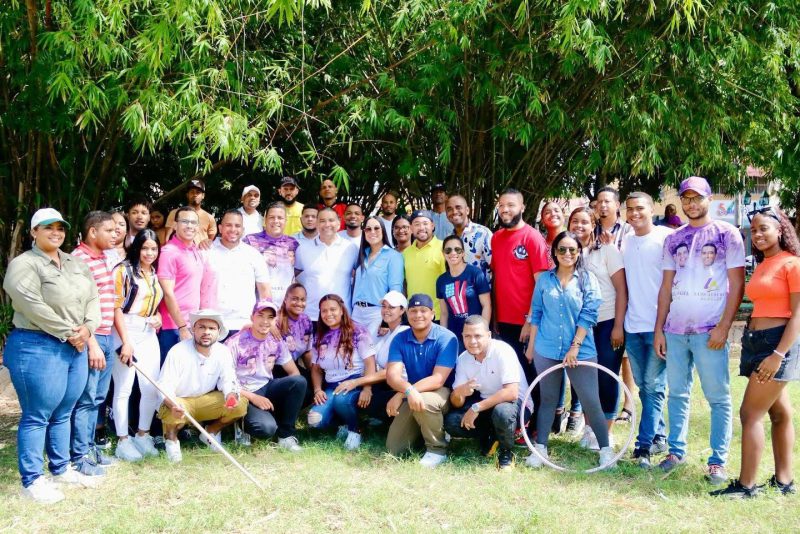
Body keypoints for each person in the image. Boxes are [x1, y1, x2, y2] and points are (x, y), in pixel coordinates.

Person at [4, 208, 101, 503]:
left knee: (64, 411)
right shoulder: (25, 264)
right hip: (37, 344)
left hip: (76, 345)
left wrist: (87, 328)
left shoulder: (75, 263)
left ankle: (61, 469)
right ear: (34, 232)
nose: (55, 232)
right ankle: (32, 480)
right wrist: (69, 331)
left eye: (60, 227)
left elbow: (93, 297)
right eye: (48, 227)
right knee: (37, 414)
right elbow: (30, 303)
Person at [654, 176, 745, 484]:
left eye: (697, 198)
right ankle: (675, 452)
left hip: (710, 331)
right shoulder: (673, 238)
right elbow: (666, 287)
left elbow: (737, 284)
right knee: (677, 394)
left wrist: (724, 327)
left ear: (709, 199)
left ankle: (717, 461)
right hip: (676, 330)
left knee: (718, 397)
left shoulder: (727, 234)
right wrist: (659, 329)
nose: (691, 204)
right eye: (686, 198)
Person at [711, 206, 800, 498]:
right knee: (779, 413)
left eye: (764, 229)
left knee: (749, 414)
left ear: (780, 230)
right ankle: (784, 481)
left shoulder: (792, 264)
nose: (758, 235)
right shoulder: (764, 263)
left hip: (776, 344)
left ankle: (746, 486)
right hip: (756, 340)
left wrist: (778, 354)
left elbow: (798, 315)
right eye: (755, 230)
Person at [524, 231, 614, 469]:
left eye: (572, 249)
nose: (567, 253)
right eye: (562, 249)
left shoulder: (587, 279)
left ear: (579, 252)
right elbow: (537, 313)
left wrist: (575, 347)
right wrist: (532, 347)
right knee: (548, 399)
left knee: (591, 400)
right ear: (554, 252)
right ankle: (540, 449)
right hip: (546, 348)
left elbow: (589, 314)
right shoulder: (545, 280)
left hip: (581, 350)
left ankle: (606, 450)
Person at [567, 207, 628, 449]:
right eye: (574, 221)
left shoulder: (607, 251)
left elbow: (622, 289)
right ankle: (589, 428)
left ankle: (607, 431)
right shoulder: (569, 253)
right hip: (581, 324)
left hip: (607, 321)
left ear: (594, 225)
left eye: (584, 222)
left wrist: (618, 326)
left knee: (606, 376)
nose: (579, 226)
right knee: (584, 378)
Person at [622, 192, 672, 467]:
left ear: (652, 209)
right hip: (633, 325)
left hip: (658, 327)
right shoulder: (626, 241)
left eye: (640, 208)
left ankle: (643, 446)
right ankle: (659, 436)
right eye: (630, 209)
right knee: (644, 386)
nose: (634, 213)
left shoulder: (666, 238)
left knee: (653, 386)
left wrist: (664, 326)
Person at [157, 310, 247, 462]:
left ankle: (211, 432)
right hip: (180, 401)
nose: (206, 332)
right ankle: (171, 441)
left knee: (241, 403)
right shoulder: (178, 351)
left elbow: (228, 379)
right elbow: (165, 384)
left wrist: (231, 395)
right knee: (170, 408)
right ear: (194, 329)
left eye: (212, 328)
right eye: (202, 327)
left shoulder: (223, 352)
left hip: (206, 401)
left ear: (218, 332)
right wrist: (173, 404)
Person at [70, 211, 119, 476]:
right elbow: (75, 307)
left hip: (106, 335)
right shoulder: (79, 260)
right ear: (92, 232)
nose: (115, 234)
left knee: (98, 398)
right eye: (109, 230)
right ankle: (79, 456)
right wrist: (92, 344)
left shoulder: (103, 258)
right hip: (93, 338)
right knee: (86, 398)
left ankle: (89, 447)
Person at [445, 316, 528, 470]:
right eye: (467, 336)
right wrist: (459, 392)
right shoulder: (463, 358)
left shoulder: (502, 350)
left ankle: (506, 452)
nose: (472, 341)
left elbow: (511, 392)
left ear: (488, 335)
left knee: (502, 413)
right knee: (452, 422)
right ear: (462, 336)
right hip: (487, 404)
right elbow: (456, 402)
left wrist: (476, 407)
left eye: (478, 336)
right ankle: (492, 435)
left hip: (516, 405)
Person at [385, 294, 458, 468]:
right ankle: (426, 432)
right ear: (407, 314)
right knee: (394, 449)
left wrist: (404, 392)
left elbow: (438, 379)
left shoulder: (447, 337)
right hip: (413, 392)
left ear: (432, 314)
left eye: (423, 310)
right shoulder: (400, 338)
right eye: (413, 311)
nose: (418, 315)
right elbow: (392, 376)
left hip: (443, 391)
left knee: (425, 400)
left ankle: (436, 450)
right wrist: (408, 391)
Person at [110, 229, 164, 462]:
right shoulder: (123, 270)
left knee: (150, 386)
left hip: (148, 332)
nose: (149, 253)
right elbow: (116, 308)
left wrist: (158, 318)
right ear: (136, 248)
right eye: (145, 248)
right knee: (124, 387)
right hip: (125, 331)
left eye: (154, 248)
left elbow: (154, 305)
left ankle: (143, 434)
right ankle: (123, 440)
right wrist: (125, 342)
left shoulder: (154, 273)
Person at [226, 300, 307, 451]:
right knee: (266, 429)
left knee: (300, 382)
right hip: (243, 392)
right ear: (252, 317)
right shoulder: (235, 342)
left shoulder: (275, 341)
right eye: (260, 315)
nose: (265, 321)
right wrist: (253, 398)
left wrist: (289, 401)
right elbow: (225, 381)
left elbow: (294, 372)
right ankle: (239, 424)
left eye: (270, 317)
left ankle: (286, 436)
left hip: (266, 386)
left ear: (275, 320)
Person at [490, 189, 549, 389]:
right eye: (501, 205)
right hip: (503, 320)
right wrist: (495, 316)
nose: (505, 209)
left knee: (531, 373)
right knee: (511, 374)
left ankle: (541, 410)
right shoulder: (496, 238)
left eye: (511, 205)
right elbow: (498, 278)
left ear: (522, 207)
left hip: (526, 320)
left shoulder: (532, 237)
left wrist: (530, 320)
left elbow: (542, 284)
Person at [307, 295, 376, 450]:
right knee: (315, 420)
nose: (328, 314)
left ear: (342, 310)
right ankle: (343, 424)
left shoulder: (358, 330)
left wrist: (367, 388)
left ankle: (355, 430)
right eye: (324, 311)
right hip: (332, 385)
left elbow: (370, 362)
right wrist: (317, 390)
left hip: (355, 381)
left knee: (341, 400)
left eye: (333, 309)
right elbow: (316, 368)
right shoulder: (319, 335)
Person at [593, 186, 636, 422]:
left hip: (628, 300)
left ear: (617, 205)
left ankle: (629, 404)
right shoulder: (592, 231)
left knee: (624, 357)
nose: (603, 205)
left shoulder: (629, 231)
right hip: (601, 305)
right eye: (599, 201)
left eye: (607, 201)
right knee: (605, 360)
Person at [157, 205, 216, 373]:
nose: (189, 226)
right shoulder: (169, 251)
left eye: (193, 222)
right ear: (175, 225)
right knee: (170, 377)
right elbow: (167, 293)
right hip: (173, 327)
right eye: (184, 221)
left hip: (192, 324)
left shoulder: (195, 249)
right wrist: (182, 327)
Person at [207, 210, 271, 337]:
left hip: (245, 325)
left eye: (237, 226)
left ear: (243, 230)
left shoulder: (253, 255)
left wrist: (266, 321)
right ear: (220, 228)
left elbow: (265, 292)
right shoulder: (206, 252)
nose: (233, 229)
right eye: (228, 225)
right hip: (213, 324)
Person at [295, 207, 359, 322]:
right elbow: (293, 276)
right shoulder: (303, 249)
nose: (327, 224)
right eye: (322, 221)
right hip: (312, 315)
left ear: (339, 223)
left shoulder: (350, 248)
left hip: (342, 315)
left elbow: (359, 277)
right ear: (317, 224)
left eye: (331, 220)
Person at [352, 216, 405, 338]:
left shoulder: (394, 256)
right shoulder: (362, 254)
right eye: (368, 229)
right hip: (356, 313)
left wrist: (386, 321)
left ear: (383, 231)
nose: (372, 232)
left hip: (377, 313)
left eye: (376, 228)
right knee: (355, 350)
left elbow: (395, 290)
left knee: (372, 350)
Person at [436, 235, 491, 351]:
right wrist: (443, 336)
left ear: (463, 253)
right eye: (448, 250)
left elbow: (486, 305)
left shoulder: (475, 273)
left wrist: (483, 331)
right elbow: (444, 313)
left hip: (475, 335)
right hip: (454, 336)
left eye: (457, 249)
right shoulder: (441, 280)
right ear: (443, 254)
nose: (453, 253)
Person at [243, 202, 299, 306]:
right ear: (265, 220)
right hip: (258, 304)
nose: (276, 221)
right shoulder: (250, 240)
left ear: (285, 221)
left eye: (280, 218)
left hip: (285, 305)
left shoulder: (293, 243)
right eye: (272, 217)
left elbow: (296, 274)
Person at [403, 210, 446, 320]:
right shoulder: (405, 253)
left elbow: (449, 283)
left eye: (425, 223)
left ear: (432, 226)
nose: (421, 227)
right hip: (413, 315)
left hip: (437, 314)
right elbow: (404, 285)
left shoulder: (444, 248)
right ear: (411, 228)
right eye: (417, 224)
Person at [446, 195, 492, 277]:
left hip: (483, 285)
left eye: (458, 207)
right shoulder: (449, 239)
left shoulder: (483, 233)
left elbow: (496, 267)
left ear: (467, 210)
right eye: (449, 209)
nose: (454, 212)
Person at [165, 179, 217, 244]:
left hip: (201, 250)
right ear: (187, 195)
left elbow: (210, 241)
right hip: (179, 249)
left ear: (203, 196)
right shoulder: (175, 213)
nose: (195, 194)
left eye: (198, 192)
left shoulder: (210, 218)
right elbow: (168, 238)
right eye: (192, 192)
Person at [277, 283, 314, 372]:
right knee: (300, 380)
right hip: (276, 369)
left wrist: (313, 374)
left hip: (294, 366)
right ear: (285, 299)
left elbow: (307, 352)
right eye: (294, 299)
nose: (299, 303)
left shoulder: (306, 320)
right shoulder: (276, 321)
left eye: (303, 300)